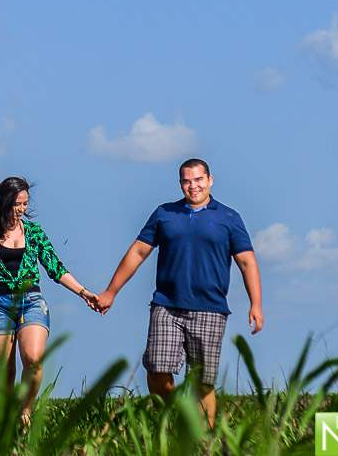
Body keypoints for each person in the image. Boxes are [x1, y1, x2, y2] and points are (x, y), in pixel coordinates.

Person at [94, 158, 263, 427]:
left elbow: (246, 262)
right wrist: (111, 292)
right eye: (186, 181)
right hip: (167, 305)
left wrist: (256, 304)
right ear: (180, 184)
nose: (193, 186)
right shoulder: (164, 213)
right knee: (156, 367)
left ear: (210, 180)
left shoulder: (229, 218)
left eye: (198, 180)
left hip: (210, 308)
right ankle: (170, 422)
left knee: (202, 381)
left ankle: (203, 439)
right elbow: (138, 252)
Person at [0, 177, 99, 420]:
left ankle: (24, 411)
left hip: (31, 302)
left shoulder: (34, 232)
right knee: (6, 374)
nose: (22, 209)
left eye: (25, 204)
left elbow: (55, 267)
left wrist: (83, 292)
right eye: (17, 204)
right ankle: (5, 423)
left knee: (33, 360)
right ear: (4, 203)